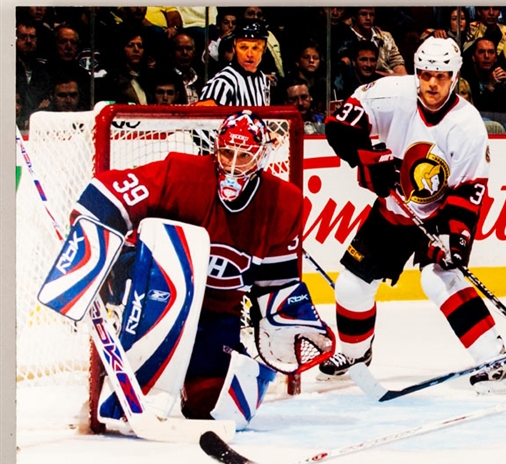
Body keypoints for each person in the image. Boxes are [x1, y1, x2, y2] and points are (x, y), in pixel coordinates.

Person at [58, 111, 331, 431]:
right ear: (215, 149)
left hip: (217, 317)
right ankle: (132, 372)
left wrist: (288, 316)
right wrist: (94, 240)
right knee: (126, 406)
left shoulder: (284, 204)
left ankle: (217, 371)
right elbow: (108, 191)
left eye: (243, 156)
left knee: (220, 412)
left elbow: (274, 282)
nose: (232, 164)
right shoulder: (182, 174)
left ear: (261, 158)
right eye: (227, 152)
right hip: (157, 297)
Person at [321, 37, 506, 395]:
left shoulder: (467, 125)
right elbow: (339, 124)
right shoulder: (391, 94)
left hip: (441, 212)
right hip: (395, 210)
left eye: (441, 76)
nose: (431, 83)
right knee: (352, 285)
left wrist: (454, 239)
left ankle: (496, 363)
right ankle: (355, 353)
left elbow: (468, 190)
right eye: (425, 74)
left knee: (439, 279)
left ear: (455, 75)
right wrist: (367, 159)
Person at [198, 20, 271, 106]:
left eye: (255, 48)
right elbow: (204, 116)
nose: (249, 54)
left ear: (264, 49)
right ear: (234, 48)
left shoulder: (263, 79)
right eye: (243, 47)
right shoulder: (223, 82)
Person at [349, 7, 407, 76]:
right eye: (363, 14)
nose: (368, 18)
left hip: (390, 80)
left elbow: (398, 65)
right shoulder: (347, 39)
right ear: (355, 16)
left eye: (371, 15)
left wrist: (400, 77)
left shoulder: (385, 37)